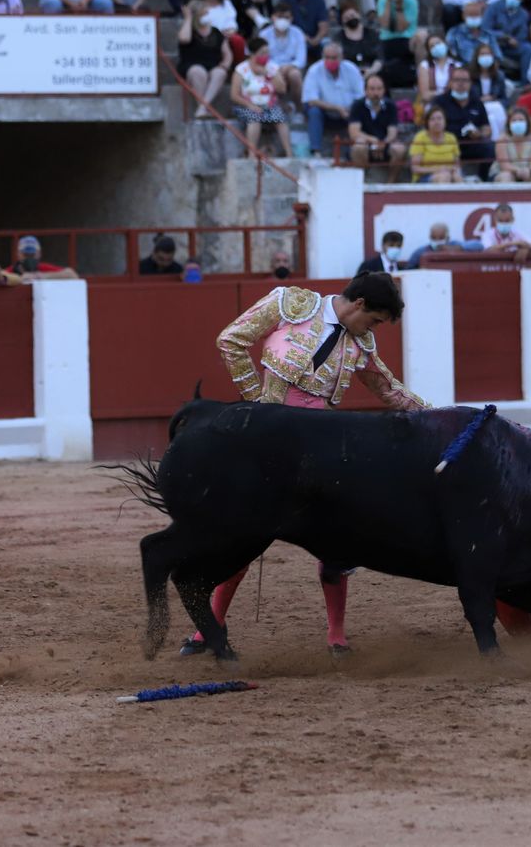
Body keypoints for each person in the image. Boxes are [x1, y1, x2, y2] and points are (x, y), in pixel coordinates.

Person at [182, 271, 426, 661]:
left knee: (337, 543)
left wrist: (441, 418)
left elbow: (390, 390)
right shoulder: (291, 305)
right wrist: (259, 405)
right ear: (359, 304)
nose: (373, 329)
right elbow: (231, 340)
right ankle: (207, 627)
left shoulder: (360, 344)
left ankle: (337, 635)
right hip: (268, 447)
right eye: (375, 320)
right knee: (242, 539)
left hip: (319, 453)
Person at [409, 105, 461, 183]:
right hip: (424, 177)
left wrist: (452, 170)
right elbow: (415, 168)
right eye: (432, 119)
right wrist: (438, 169)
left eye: (440, 118)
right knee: (444, 176)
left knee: (457, 177)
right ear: (427, 122)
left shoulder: (451, 138)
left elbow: (457, 164)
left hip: (449, 173)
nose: (437, 122)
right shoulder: (420, 137)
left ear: (445, 121)